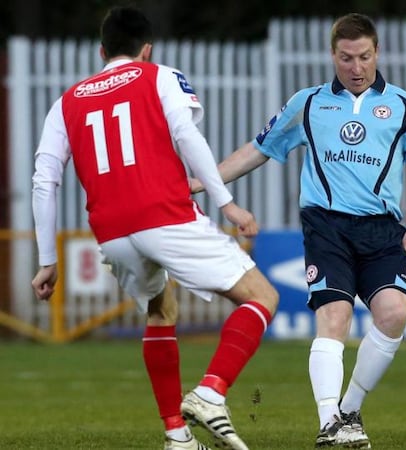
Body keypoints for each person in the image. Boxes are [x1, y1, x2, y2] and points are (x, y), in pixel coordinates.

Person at [30, 6, 280, 450]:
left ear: (101, 50)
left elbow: (44, 180)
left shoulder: (65, 102)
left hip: (111, 232)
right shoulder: (159, 75)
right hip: (165, 215)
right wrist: (227, 203)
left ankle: (176, 436)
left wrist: (47, 260)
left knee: (161, 311)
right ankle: (210, 392)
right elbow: (187, 137)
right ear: (147, 49)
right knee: (263, 296)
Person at [191, 12, 406, 449]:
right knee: (335, 317)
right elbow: (258, 149)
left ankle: (350, 410)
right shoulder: (308, 103)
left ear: (377, 53)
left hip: (383, 229)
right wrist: (204, 180)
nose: (356, 67)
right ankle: (329, 423)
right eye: (346, 58)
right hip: (326, 226)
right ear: (332, 55)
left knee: (394, 313)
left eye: (363, 57)